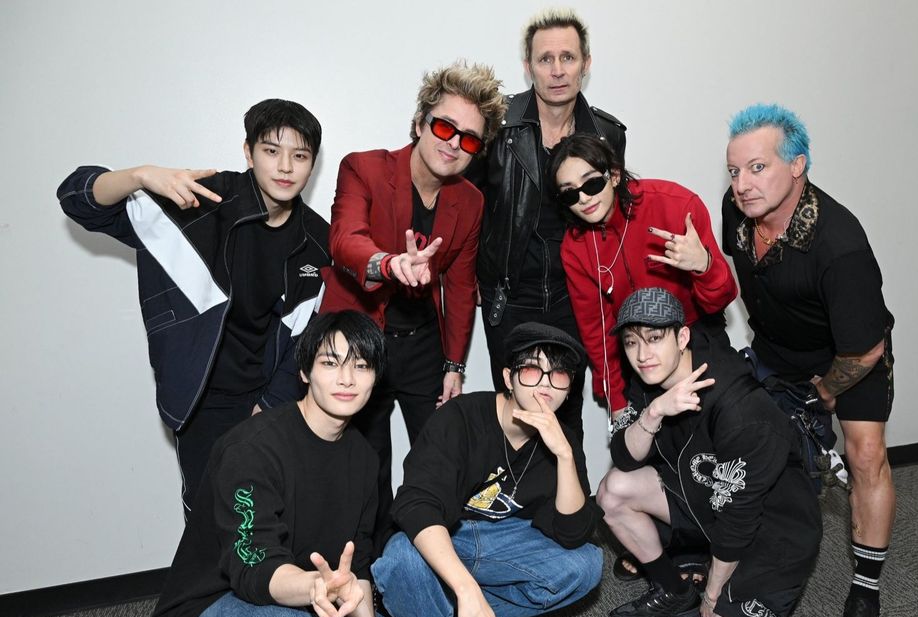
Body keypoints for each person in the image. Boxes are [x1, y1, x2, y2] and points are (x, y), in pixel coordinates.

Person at [57, 99, 330, 518]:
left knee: (267, 516)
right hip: (202, 397)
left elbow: (306, 334)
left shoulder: (317, 240)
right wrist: (139, 175)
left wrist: (270, 406)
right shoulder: (201, 201)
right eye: (271, 150)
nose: (285, 167)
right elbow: (76, 199)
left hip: (269, 399)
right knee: (209, 519)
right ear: (248, 152)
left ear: (312, 165)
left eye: (300, 156)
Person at [149, 311, 429, 617]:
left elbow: (357, 565)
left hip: (309, 599)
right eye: (330, 363)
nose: (346, 379)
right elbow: (253, 566)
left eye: (361, 366)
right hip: (216, 604)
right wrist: (315, 587)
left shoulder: (365, 459)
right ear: (304, 372)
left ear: (375, 378)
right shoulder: (250, 449)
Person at [722, 104, 895, 617]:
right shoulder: (736, 210)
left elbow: (866, 348)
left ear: (797, 166)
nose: (742, 184)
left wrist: (826, 392)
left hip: (851, 356)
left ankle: (865, 590)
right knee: (753, 444)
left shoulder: (839, 243)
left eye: (757, 168)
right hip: (779, 350)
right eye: (734, 171)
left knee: (866, 455)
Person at [372, 323, 603, 617]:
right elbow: (416, 505)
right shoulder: (462, 418)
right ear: (508, 377)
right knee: (400, 557)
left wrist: (565, 455)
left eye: (559, 374)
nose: (545, 384)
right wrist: (468, 592)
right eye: (532, 369)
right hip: (450, 537)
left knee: (587, 565)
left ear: (569, 388)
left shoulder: (561, 439)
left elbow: (572, 533)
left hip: (502, 544)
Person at [322, 62, 506, 554]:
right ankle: (371, 568)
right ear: (421, 121)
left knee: (440, 458)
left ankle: (430, 562)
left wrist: (454, 365)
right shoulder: (364, 168)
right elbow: (344, 240)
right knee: (367, 466)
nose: (454, 144)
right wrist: (388, 263)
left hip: (423, 344)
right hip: (362, 343)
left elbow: (461, 286)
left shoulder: (470, 201)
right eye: (445, 127)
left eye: (469, 139)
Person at [597, 287, 821, 617]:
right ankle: (675, 589)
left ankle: (715, 572)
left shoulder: (739, 406)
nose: (643, 354)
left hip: (773, 530)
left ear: (682, 336)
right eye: (632, 342)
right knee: (613, 490)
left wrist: (715, 592)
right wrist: (654, 412)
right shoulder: (649, 378)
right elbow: (625, 457)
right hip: (707, 495)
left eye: (654, 337)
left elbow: (739, 519)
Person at [477, 8, 626, 441]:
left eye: (568, 57)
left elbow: (617, 217)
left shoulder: (607, 135)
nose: (557, 70)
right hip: (508, 297)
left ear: (586, 63)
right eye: (545, 59)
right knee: (513, 417)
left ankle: (568, 487)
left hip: (576, 296)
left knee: (567, 414)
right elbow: (467, 209)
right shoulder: (497, 126)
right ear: (528, 67)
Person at [550, 133, 737, 426]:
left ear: (614, 175)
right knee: (642, 446)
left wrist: (703, 265)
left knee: (722, 430)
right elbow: (596, 330)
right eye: (570, 193)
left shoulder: (676, 205)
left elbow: (720, 300)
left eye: (592, 183)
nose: (583, 198)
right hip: (638, 356)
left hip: (695, 339)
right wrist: (615, 400)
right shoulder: (576, 248)